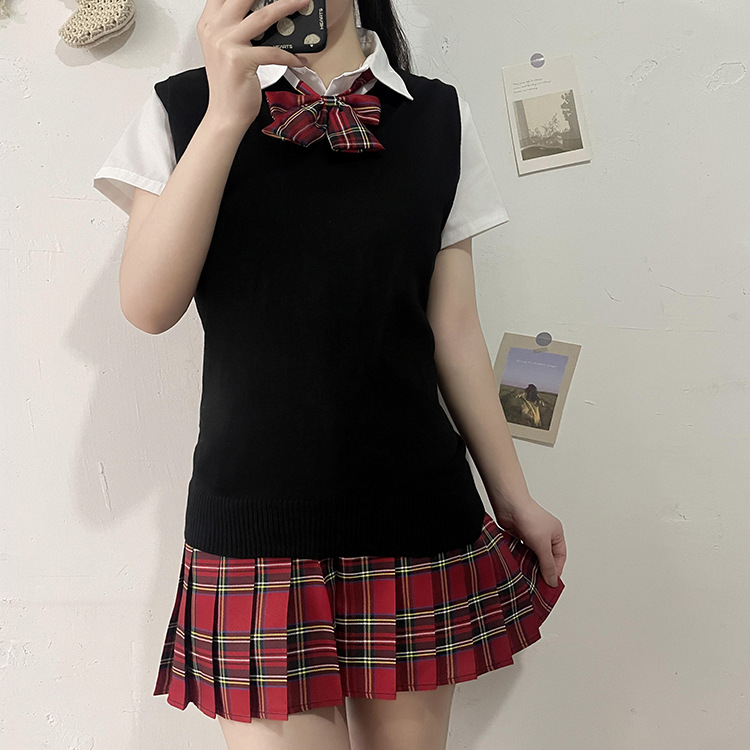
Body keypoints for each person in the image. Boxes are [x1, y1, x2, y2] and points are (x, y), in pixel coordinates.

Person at [93, 1, 568, 748]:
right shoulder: (183, 108)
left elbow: (453, 330)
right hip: (254, 525)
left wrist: (515, 497)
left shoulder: (435, 116)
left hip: (417, 518)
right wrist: (226, 116)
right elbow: (148, 307)